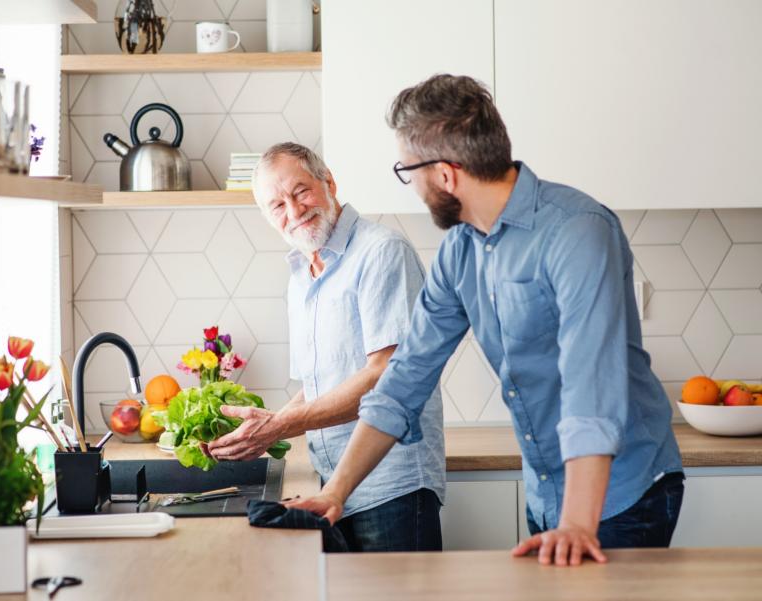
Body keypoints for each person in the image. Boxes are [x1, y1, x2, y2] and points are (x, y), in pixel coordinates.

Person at [286, 74, 685, 567]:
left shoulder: (577, 232)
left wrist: (578, 522)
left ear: (446, 175)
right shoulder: (461, 249)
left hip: (622, 492)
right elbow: (405, 377)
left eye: (407, 172)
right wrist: (336, 493)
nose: (412, 187)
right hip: (547, 490)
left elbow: (591, 388)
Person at [204, 142, 446, 552]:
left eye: (301, 192)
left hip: (390, 487)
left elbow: (386, 377)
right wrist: (267, 428)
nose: (294, 211)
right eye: (277, 205)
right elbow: (319, 383)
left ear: (329, 182)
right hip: (332, 487)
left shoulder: (381, 252)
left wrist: (281, 426)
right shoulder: (301, 274)